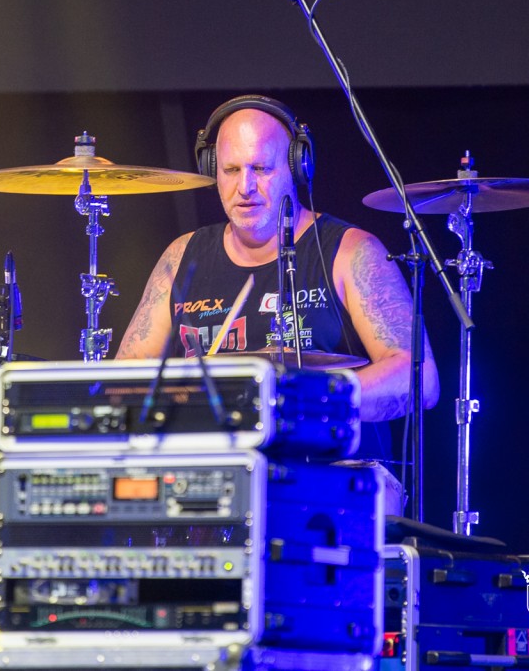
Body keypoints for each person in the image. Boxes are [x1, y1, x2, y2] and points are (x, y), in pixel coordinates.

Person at [115, 95, 439, 483]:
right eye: (231, 170)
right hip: (210, 482)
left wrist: (312, 398)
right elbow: (125, 380)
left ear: (296, 167)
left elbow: (420, 378)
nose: (245, 187)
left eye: (260, 168)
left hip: (328, 486)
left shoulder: (350, 252)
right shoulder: (181, 256)